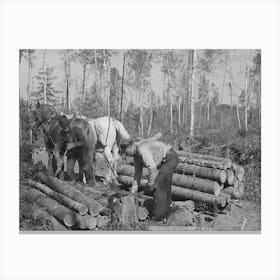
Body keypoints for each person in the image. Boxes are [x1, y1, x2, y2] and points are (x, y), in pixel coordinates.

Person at [120, 138, 179, 221]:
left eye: (127, 152)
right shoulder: (136, 156)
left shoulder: (142, 150)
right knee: (163, 185)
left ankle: (158, 218)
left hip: (170, 157)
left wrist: (151, 184)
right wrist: (133, 191)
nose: (127, 155)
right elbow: (137, 173)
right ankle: (167, 211)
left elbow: (152, 168)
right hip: (165, 159)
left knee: (159, 186)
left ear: (130, 147)